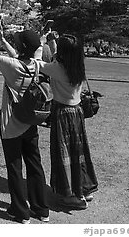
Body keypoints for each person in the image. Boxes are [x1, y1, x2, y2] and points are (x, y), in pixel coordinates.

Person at [0, 27, 50, 224]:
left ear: (21, 46)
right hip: (31, 122)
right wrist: (3, 40)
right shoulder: (37, 64)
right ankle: (41, 209)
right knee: (35, 165)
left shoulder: (11, 66)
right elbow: (19, 56)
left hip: (11, 123)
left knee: (14, 167)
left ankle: (20, 211)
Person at [37, 33, 98, 210]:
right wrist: (53, 42)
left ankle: (72, 195)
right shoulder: (78, 66)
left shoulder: (57, 68)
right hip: (77, 112)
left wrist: (41, 44)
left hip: (62, 113)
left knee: (63, 154)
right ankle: (84, 188)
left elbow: (38, 63)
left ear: (63, 52)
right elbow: (58, 56)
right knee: (78, 152)